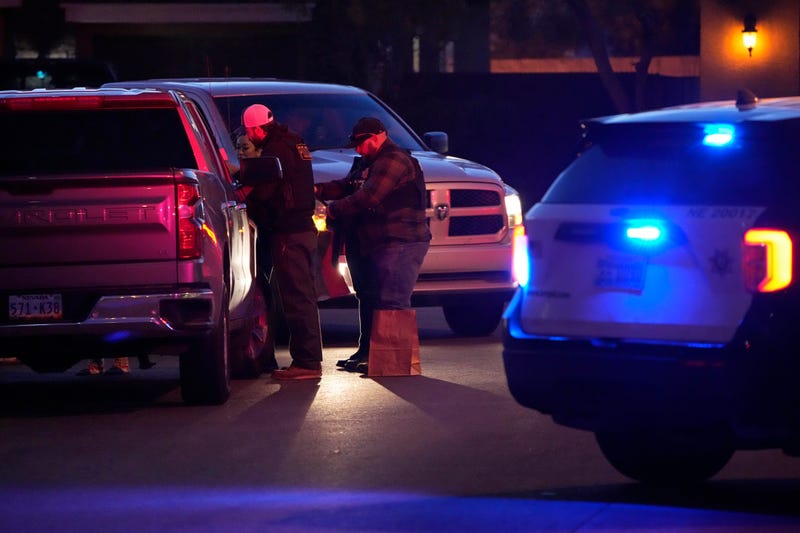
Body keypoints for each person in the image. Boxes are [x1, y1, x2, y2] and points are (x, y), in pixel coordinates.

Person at [315, 117, 431, 373]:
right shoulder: (371, 161)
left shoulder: (394, 160)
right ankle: (369, 352)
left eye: (362, 143)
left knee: (392, 300)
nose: (358, 149)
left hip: (401, 240)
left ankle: (391, 363)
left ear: (379, 135)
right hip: (378, 241)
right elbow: (348, 186)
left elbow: (369, 196)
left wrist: (331, 211)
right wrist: (315, 190)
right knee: (369, 296)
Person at [241, 104, 324, 380]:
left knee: (296, 298)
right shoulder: (294, 141)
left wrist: (244, 197)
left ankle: (307, 363)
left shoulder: (275, 150)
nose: (248, 136)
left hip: (288, 231)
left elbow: (265, 191)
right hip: (304, 228)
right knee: (303, 296)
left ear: (254, 128)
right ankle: (308, 360)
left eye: (248, 131)